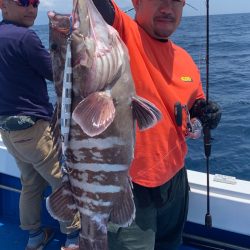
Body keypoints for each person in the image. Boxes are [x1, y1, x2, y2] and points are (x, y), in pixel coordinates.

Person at [91, 0, 222, 250]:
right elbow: (97, 7)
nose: (167, 8)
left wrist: (204, 113)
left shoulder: (184, 58)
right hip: (129, 183)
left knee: (170, 245)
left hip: (175, 180)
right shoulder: (121, 32)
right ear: (136, 3)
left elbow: (193, 104)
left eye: (176, 2)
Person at [0, 1, 80, 249]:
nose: (31, 8)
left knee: (31, 183)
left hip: (9, 131)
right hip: (34, 132)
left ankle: (34, 237)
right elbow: (55, 73)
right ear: (3, 4)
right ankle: (74, 238)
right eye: (23, 2)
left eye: (34, 3)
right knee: (62, 183)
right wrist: (72, 45)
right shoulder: (25, 38)